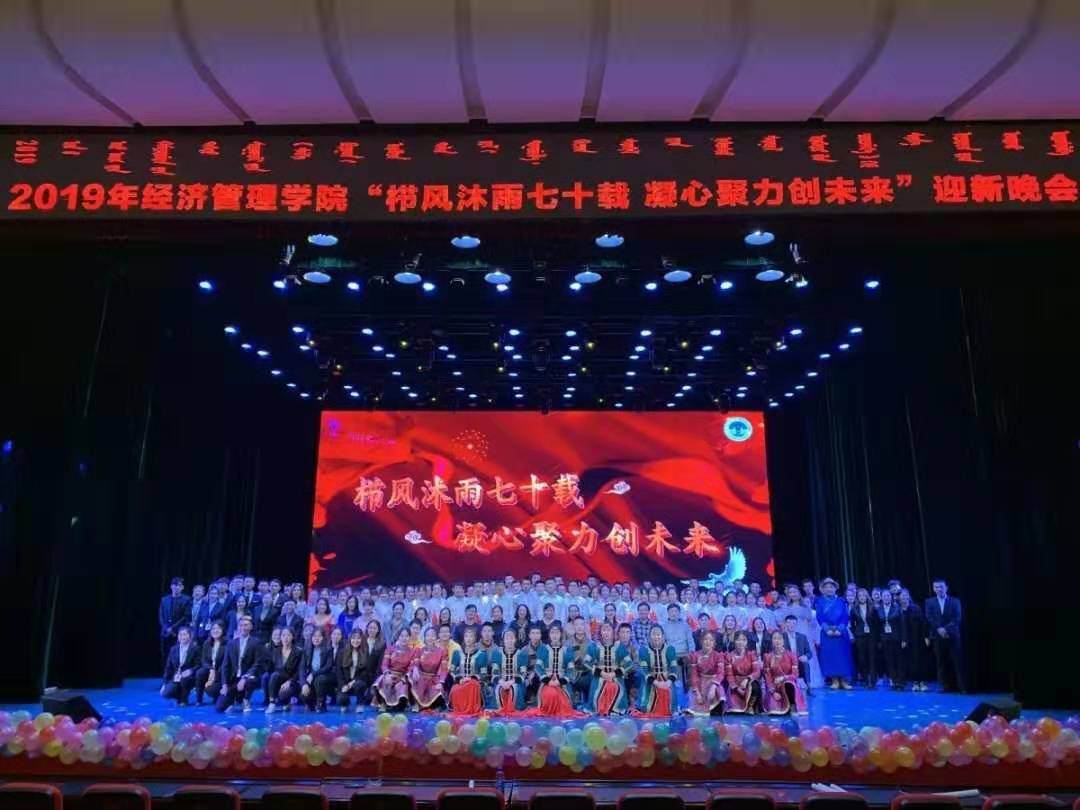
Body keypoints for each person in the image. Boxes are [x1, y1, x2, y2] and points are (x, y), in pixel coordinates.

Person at [925, 579, 965, 692]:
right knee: (941, 662)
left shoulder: (955, 601)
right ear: (933, 589)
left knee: (957, 662)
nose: (939, 589)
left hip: (953, 636)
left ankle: (961, 686)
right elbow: (929, 617)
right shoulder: (929, 602)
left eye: (941, 587)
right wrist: (939, 628)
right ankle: (946, 686)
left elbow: (957, 618)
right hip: (938, 636)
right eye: (936, 587)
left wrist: (945, 629)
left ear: (946, 588)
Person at [216, 615, 261, 713]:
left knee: (248, 682)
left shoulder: (256, 642)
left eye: (246, 625)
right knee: (220, 707)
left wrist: (245, 677)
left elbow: (257, 664)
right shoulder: (231, 644)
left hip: (249, 677)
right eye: (241, 625)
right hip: (234, 679)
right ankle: (236, 700)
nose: (243, 628)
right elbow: (225, 666)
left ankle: (245, 700)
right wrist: (224, 684)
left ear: (251, 627)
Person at [815, 578, 853, 689]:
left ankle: (844, 681)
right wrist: (827, 629)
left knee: (843, 657)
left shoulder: (841, 601)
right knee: (830, 657)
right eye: (826, 587)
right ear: (823, 589)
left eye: (831, 587)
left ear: (835, 588)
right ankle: (834, 680)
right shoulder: (820, 601)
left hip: (840, 633)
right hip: (827, 634)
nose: (829, 589)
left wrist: (839, 629)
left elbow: (845, 616)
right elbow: (819, 617)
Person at [785, 585, 824, 689]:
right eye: (790, 592)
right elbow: (785, 622)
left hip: (805, 632)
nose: (793, 594)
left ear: (799, 593)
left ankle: (810, 681)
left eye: (795, 592)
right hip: (791, 632)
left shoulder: (805, 607)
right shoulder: (787, 607)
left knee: (806, 654)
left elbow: (810, 620)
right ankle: (795, 680)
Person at [587, 622, 631, 715]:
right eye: (604, 630)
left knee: (615, 686)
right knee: (599, 688)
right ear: (600, 632)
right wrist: (601, 673)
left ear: (613, 632)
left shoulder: (620, 646)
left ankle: (614, 708)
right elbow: (586, 662)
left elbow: (629, 664)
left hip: (615, 677)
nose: (606, 632)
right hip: (599, 677)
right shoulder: (594, 646)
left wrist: (614, 674)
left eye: (608, 630)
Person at [636, 624, 679, 716]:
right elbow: (644, 670)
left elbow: (674, 669)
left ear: (663, 637)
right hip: (650, 681)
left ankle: (672, 709)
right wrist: (656, 683)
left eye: (658, 634)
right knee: (646, 708)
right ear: (649, 637)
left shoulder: (670, 649)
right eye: (653, 634)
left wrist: (668, 682)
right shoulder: (643, 650)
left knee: (670, 696)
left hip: (667, 681)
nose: (656, 637)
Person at [536, 624, 577, 715]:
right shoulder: (543, 649)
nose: (554, 635)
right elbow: (538, 667)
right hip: (547, 681)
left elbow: (571, 669)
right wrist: (548, 680)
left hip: (562, 682)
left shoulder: (567, 650)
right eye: (552, 633)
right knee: (550, 694)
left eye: (557, 633)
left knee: (564, 701)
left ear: (561, 634)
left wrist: (561, 681)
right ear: (549, 635)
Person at [762, 632, 807, 715]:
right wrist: (773, 692)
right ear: (772, 641)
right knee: (774, 711)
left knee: (789, 684)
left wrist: (784, 678)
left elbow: (795, 675)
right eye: (775, 638)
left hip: (789, 684)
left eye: (779, 638)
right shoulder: (768, 657)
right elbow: (767, 677)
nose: (777, 641)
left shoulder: (792, 655)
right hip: (775, 686)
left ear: (783, 641)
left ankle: (792, 705)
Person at [372, 627, 415, 711]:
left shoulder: (412, 652)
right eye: (402, 636)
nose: (404, 638)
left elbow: (411, 667)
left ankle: (399, 705)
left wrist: (404, 677)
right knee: (384, 680)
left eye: (406, 636)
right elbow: (384, 664)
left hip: (402, 676)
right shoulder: (390, 649)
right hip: (390, 674)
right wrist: (387, 674)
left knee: (402, 686)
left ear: (410, 638)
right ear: (398, 637)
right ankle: (383, 704)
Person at [687, 630, 727, 716]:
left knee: (716, 709)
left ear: (714, 643)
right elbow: (694, 675)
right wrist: (697, 693)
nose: (708, 642)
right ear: (701, 641)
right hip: (700, 683)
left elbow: (721, 673)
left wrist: (713, 686)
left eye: (711, 640)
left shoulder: (718, 655)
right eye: (705, 639)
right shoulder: (695, 655)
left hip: (714, 683)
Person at [448, 626, 486, 714]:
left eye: (471, 636)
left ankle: (472, 708)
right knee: (455, 689)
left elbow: (483, 674)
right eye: (466, 636)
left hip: (474, 682)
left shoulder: (481, 654)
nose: (468, 639)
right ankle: (460, 709)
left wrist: (471, 678)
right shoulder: (457, 653)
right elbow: (451, 671)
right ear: (464, 638)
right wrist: (459, 679)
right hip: (460, 681)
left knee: (473, 685)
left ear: (475, 639)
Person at [265, 627, 302, 713]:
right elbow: (270, 668)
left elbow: (299, 671)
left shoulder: (298, 651)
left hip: (293, 681)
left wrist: (290, 681)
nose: (286, 638)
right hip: (278, 680)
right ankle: (272, 703)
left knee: (283, 694)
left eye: (288, 635)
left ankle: (287, 701)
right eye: (283, 635)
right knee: (273, 675)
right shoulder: (275, 651)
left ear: (293, 637)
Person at [898, 589, 928, 691]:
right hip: (904, 640)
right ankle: (915, 682)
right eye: (902, 596)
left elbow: (923, 623)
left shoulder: (916, 608)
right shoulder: (898, 609)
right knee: (910, 662)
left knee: (920, 660)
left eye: (905, 595)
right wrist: (903, 639)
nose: (904, 598)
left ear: (908, 596)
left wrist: (926, 636)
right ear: (899, 598)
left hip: (917, 638)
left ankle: (922, 682)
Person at [725, 631, 762, 714]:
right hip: (735, 684)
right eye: (738, 640)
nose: (740, 642)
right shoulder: (729, 656)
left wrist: (747, 679)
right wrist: (736, 688)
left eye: (743, 640)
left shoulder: (752, 654)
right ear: (734, 641)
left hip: (748, 682)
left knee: (755, 685)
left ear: (747, 642)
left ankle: (750, 706)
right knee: (734, 712)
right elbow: (729, 675)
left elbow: (757, 671)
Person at [160, 626, 199, 706]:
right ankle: (179, 696)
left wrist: (191, 671)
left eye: (184, 634)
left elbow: (199, 665)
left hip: (189, 677)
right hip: (176, 677)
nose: (182, 637)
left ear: (190, 636)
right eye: (180, 635)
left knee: (185, 679)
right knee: (165, 693)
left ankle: (184, 699)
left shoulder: (195, 648)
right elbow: (168, 667)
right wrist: (164, 683)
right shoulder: (173, 649)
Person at [338, 628, 374, 712]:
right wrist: (343, 685)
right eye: (353, 638)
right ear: (350, 639)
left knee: (359, 684)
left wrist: (352, 683)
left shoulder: (366, 652)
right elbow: (339, 671)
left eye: (358, 638)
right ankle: (345, 703)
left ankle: (359, 704)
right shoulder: (342, 652)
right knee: (341, 699)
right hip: (345, 681)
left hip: (358, 681)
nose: (356, 641)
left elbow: (366, 672)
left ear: (362, 640)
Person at [299, 627, 334, 712]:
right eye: (314, 636)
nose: (316, 638)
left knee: (319, 679)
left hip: (325, 676)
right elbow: (302, 668)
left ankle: (321, 703)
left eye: (319, 636)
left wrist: (313, 674)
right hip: (311, 678)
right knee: (303, 695)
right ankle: (311, 703)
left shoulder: (329, 649)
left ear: (323, 638)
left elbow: (328, 666)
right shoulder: (306, 650)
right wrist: (304, 684)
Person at [514, 625, 549, 709]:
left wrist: (535, 673)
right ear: (529, 635)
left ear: (540, 635)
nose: (535, 636)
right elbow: (521, 668)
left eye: (537, 633)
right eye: (533, 633)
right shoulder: (524, 650)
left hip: (543, 674)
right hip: (527, 676)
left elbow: (548, 666)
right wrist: (526, 675)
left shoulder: (546, 649)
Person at [489, 628, 523, 714]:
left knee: (514, 688)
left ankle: (513, 709)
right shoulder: (497, 653)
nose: (509, 640)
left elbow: (523, 673)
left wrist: (510, 682)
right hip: (501, 681)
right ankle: (499, 709)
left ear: (515, 639)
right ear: (503, 640)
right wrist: (502, 682)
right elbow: (495, 672)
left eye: (512, 638)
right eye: (507, 638)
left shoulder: (521, 654)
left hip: (516, 682)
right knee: (498, 688)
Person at [159, 577, 192, 666]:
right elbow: (161, 616)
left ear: (182, 587)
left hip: (179, 632)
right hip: (165, 632)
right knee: (165, 653)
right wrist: (166, 628)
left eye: (179, 585)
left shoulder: (187, 599)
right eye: (175, 585)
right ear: (171, 586)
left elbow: (186, 616)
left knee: (178, 654)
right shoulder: (164, 599)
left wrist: (172, 628)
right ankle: (166, 672)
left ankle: (177, 672)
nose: (176, 587)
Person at [850, 588, 879, 688]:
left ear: (867, 596)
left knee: (872, 658)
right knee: (862, 658)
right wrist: (856, 633)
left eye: (864, 595)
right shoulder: (854, 609)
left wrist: (877, 637)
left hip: (871, 636)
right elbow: (852, 624)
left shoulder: (873, 608)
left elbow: (877, 623)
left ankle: (873, 681)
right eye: (860, 596)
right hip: (860, 636)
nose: (862, 597)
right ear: (857, 597)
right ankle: (866, 679)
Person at [195, 620, 228, 706]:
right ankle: (199, 699)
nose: (215, 631)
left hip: (222, 670)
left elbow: (227, 661)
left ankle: (218, 695)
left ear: (223, 630)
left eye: (218, 628)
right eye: (213, 629)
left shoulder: (228, 643)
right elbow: (204, 660)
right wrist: (211, 669)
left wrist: (216, 671)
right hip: (210, 669)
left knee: (212, 689)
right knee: (200, 673)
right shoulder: (207, 643)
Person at [778, 615, 814, 690]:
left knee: (805, 664)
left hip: (799, 661)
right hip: (785, 662)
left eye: (794, 623)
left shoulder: (802, 637)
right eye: (789, 623)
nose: (791, 625)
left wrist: (806, 656)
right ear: (785, 624)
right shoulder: (780, 636)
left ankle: (809, 686)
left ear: (796, 624)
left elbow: (809, 653)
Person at [877, 590, 903, 689]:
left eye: (888, 596)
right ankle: (893, 680)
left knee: (899, 659)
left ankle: (900, 681)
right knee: (889, 660)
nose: (886, 597)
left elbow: (902, 623)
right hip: (885, 638)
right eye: (884, 596)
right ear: (881, 598)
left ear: (891, 597)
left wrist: (903, 638)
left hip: (896, 637)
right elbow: (877, 626)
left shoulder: (897, 607)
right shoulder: (878, 609)